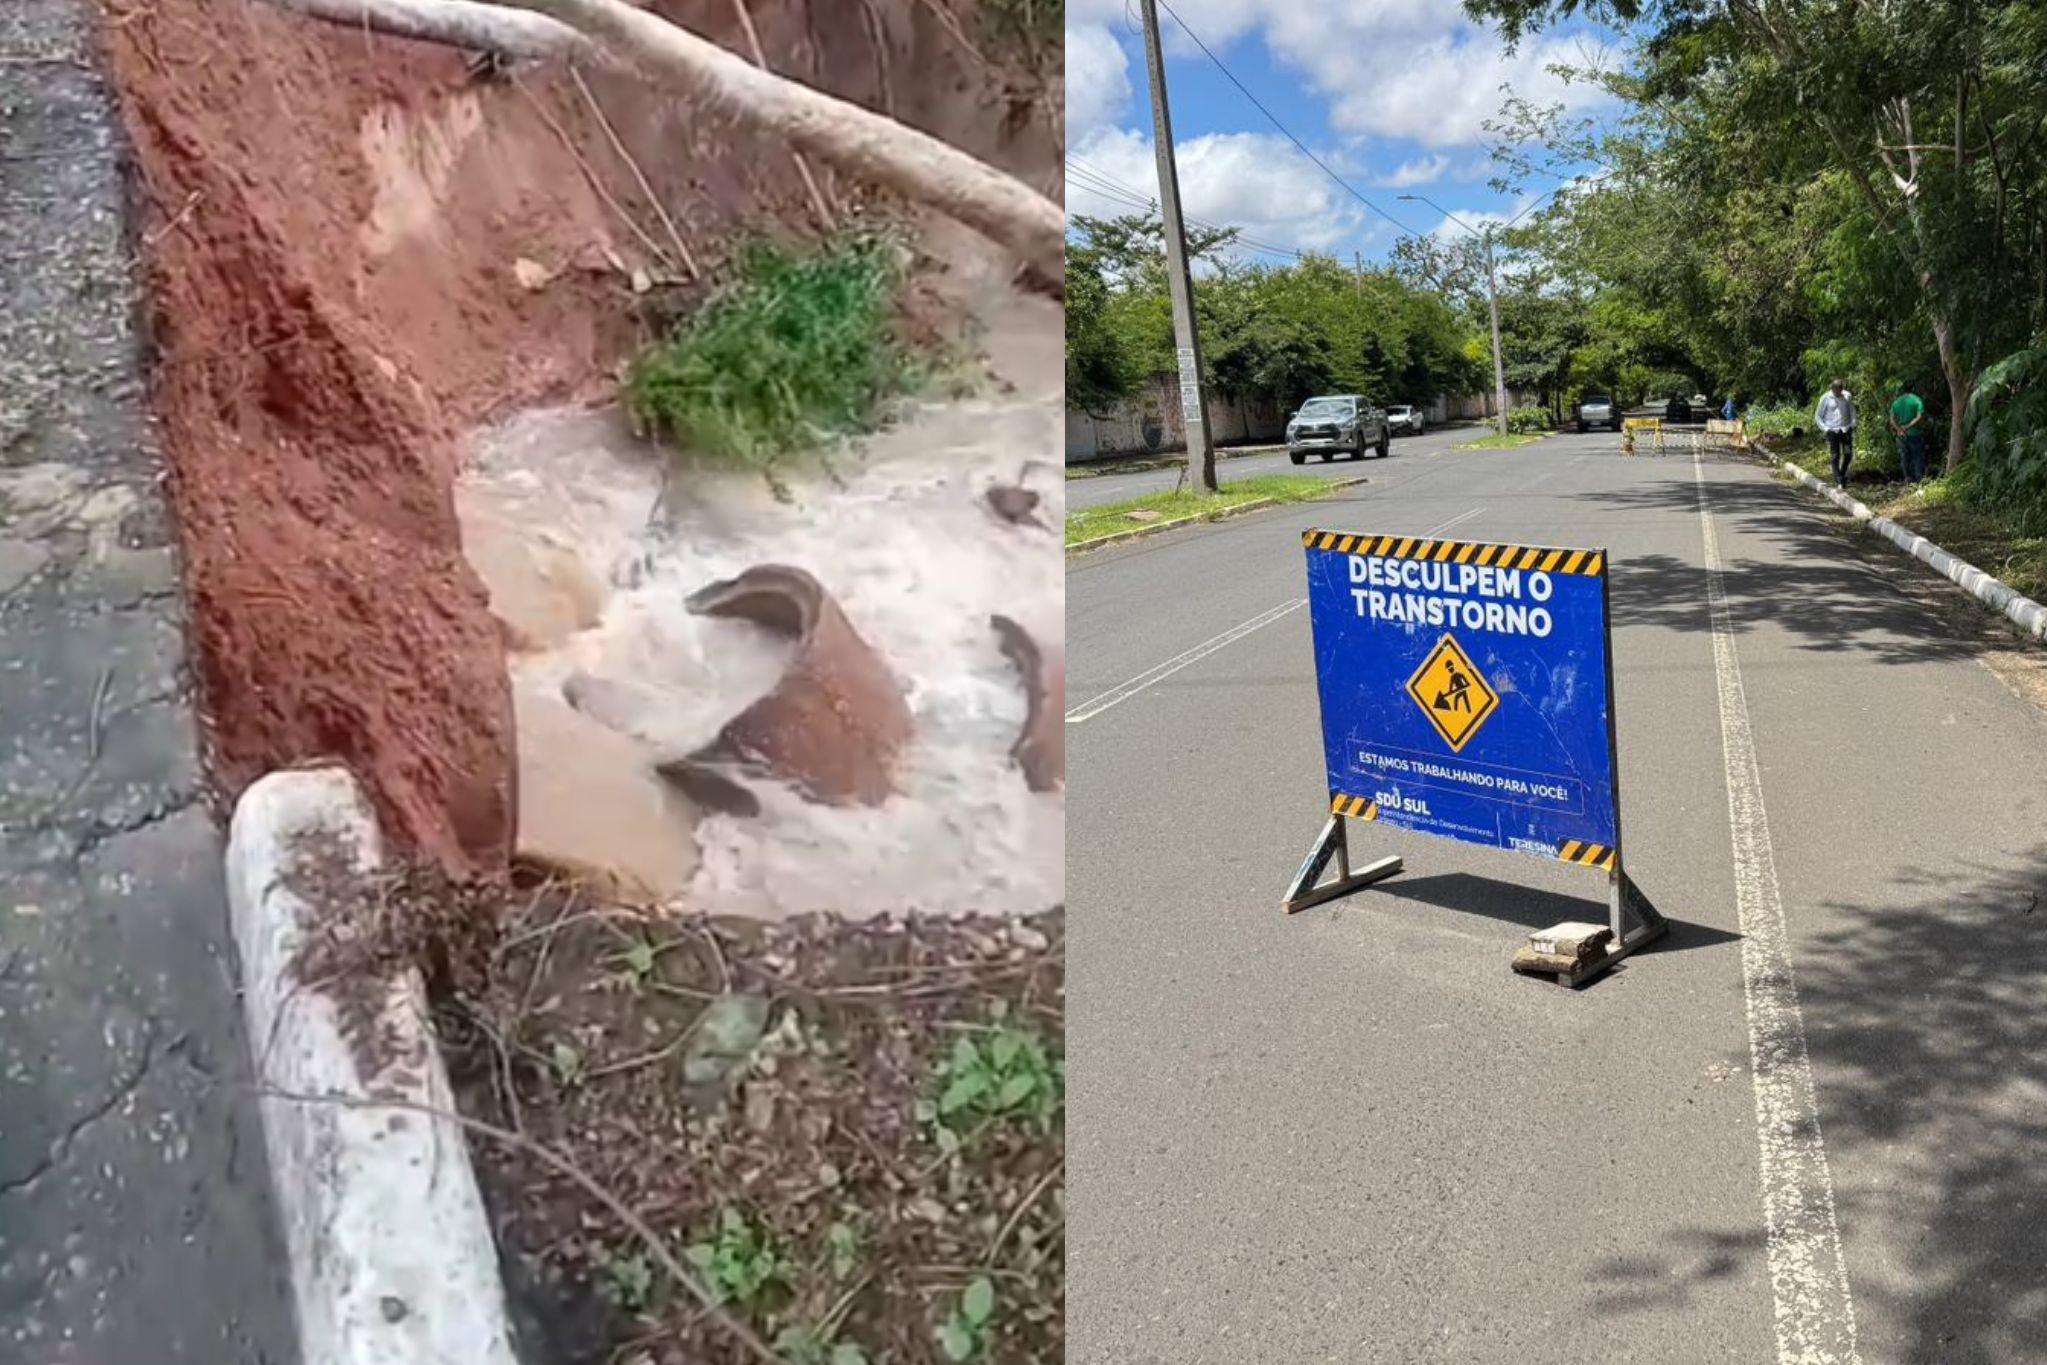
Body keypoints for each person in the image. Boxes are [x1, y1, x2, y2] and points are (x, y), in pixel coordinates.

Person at [1815, 380, 1857, 486]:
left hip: (1845, 428)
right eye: (1836, 391)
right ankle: (1838, 478)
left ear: (1842, 389)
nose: (1838, 393)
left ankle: (1841, 473)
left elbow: (1852, 411)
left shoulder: (1847, 396)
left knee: (1848, 453)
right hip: (1832, 429)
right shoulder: (1825, 398)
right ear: (1832, 389)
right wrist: (1825, 429)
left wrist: (1853, 424)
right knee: (1835, 455)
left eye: (1840, 391)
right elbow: (1818, 416)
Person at [1890, 386, 1929, 482]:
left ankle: (1907, 478)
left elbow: (1892, 420)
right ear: (1912, 389)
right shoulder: (1916, 400)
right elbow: (1920, 416)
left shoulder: (1896, 402)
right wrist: (1908, 426)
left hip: (1901, 435)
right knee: (1918, 456)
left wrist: (1899, 429)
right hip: (1915, 433)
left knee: (1904, 456)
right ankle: (1919, 479)